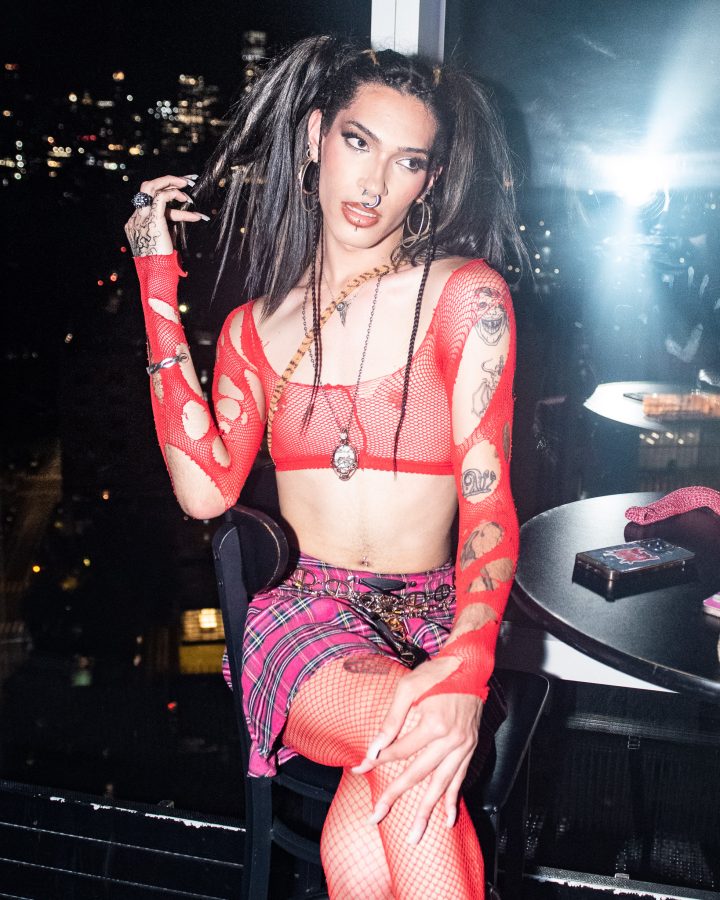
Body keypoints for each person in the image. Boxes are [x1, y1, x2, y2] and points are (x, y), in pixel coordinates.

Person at [124, 35, 526, 900]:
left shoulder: (466, 297)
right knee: (411, 741)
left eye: (407, 161)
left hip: (440, 621)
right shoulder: (254, 329)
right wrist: (156, 283)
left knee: (362, 851)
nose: (375, 183)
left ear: (429, 179)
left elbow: (489, 507)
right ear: (315, 137)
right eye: (357, 142)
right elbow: (204, 491)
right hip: (306, 620)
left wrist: (465, 670)